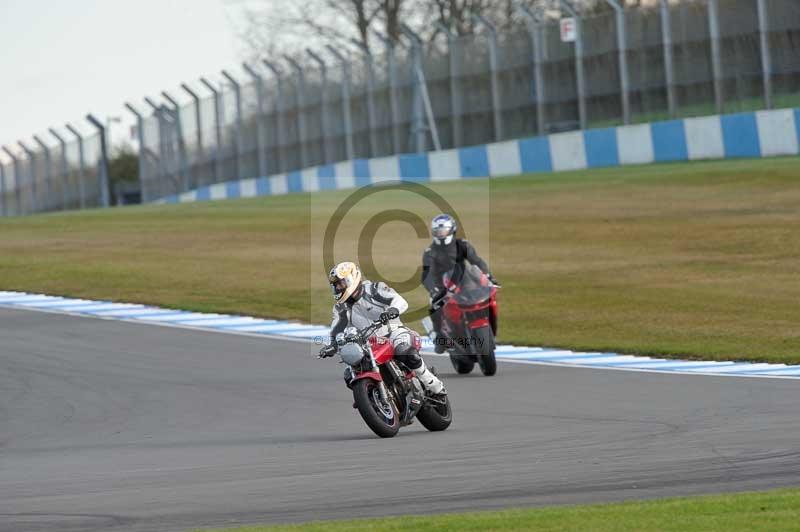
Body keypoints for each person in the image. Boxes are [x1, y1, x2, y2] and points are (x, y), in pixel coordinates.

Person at [318, 261, 445, 395]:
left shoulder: (374, 289)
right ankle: (376, 399)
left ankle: (433, 383)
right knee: (350, 375)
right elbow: (336, 329)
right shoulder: (340, 308)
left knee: (405, 351)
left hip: (393, 333)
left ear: (351, 279)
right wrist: (332, 344)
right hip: (369, 344)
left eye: (340, 283)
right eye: (335, 285)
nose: (338, 287)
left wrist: (393, 310)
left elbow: (399, 300)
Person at [421, 214, 499, 353]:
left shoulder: (462, 245)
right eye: (438, 232)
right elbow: (426, 274)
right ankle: (440, 338)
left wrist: (488, 276)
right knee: (434, 306)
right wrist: (433, 289)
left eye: (443, 231)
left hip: (464, 282)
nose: (441, 234)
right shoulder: (430, 252)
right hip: (441, 287)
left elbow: (476, 261)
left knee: (486, 293)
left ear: (452, 230)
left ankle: (487, 327)